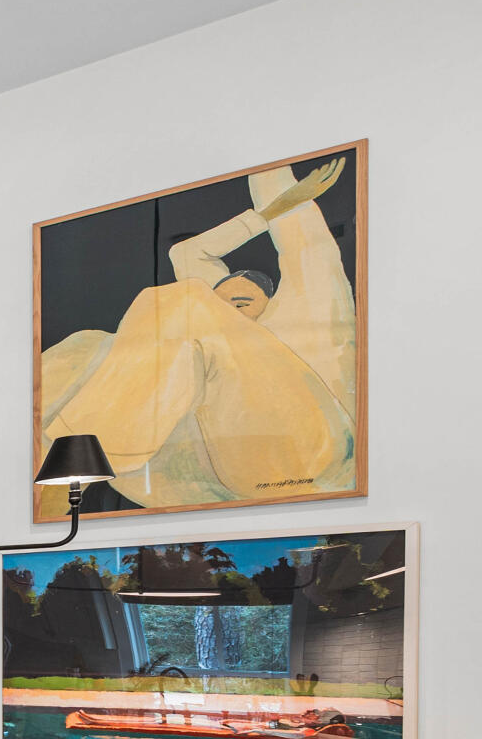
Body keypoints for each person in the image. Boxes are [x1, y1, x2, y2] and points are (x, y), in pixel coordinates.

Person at [39, 156, 357, 507]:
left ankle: (79, 462)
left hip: (310, 455)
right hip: (212, 462)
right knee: (87, 346)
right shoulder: (207, 334)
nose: (226, 314)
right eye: (221, 306)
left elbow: (299, 240)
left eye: (241, 304)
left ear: (268, 302)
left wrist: (285, 196)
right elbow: (187, 253)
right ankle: (43, 486)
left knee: (187, 300)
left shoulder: (304, 303)